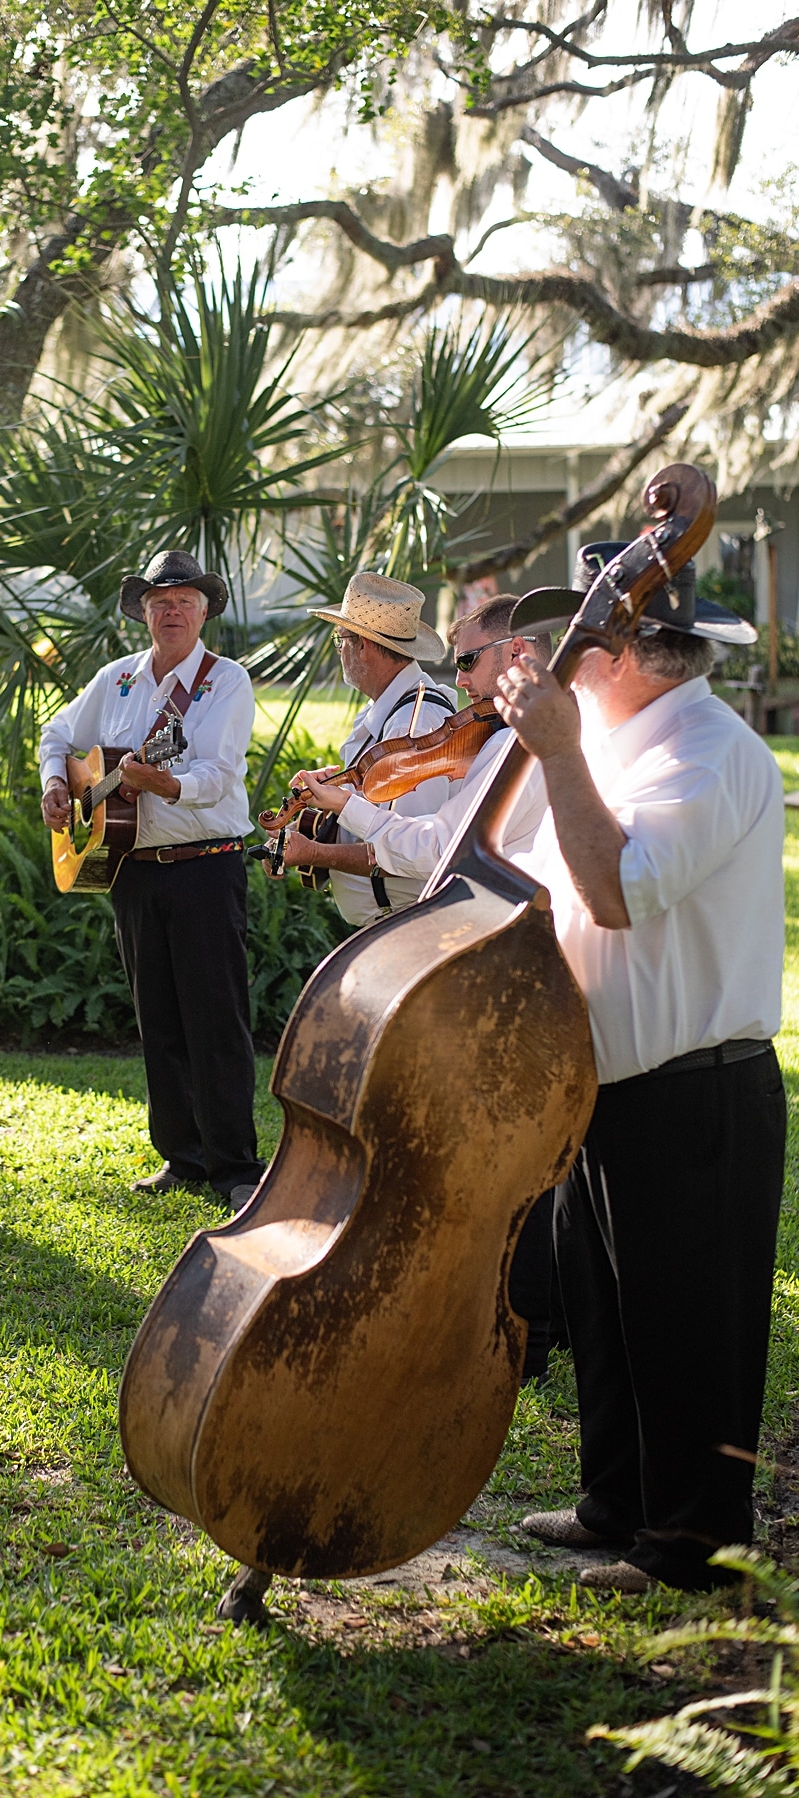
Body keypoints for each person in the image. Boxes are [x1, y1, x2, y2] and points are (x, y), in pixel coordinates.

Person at [500, 550, 783, 1594]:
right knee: (611, 1317)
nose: (557, 657)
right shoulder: (618, 745)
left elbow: (619, 890)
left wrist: (561, 756)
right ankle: (615, 1502)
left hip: (696, 1091)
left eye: (575, 641)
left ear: (620, 655)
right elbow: (543, 886)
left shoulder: (707, 752)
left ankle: (692, 1546)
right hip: (607, 1087)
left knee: (688, 1326)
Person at [283, 593, 557, 1380]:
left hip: (497, 955)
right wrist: (348, 806)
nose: (460, 680)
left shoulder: (511, 741)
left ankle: (527, 1323)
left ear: (515, 654)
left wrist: (348, 813)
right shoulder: (494, 741)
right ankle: (515, 1310)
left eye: (468, 660)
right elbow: (439, 844)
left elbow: (433, 849)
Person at [39, 550, 264, 1212]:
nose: (171, 612)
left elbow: (220, 775)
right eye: (160, 602)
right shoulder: (116, 679)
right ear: (142, 612)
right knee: (158, 1019)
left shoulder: (225, 682)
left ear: (203, 612)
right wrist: (58, 782)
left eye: (184, 602)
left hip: (204, 864)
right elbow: (57, 736)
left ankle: (234, 1166)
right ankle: (182, 1156)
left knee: (215, 1021)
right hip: (131, 870)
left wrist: (165, 781)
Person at [268, 571, 456, 924]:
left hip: (408, 922)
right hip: (393, 923)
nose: (340, 652)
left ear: (363, 646)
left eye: (341, 641)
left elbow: (410, 853)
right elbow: (372, 817)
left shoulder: (413, 723)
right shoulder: (389, 709)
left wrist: (315, 853)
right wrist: (320, 810)